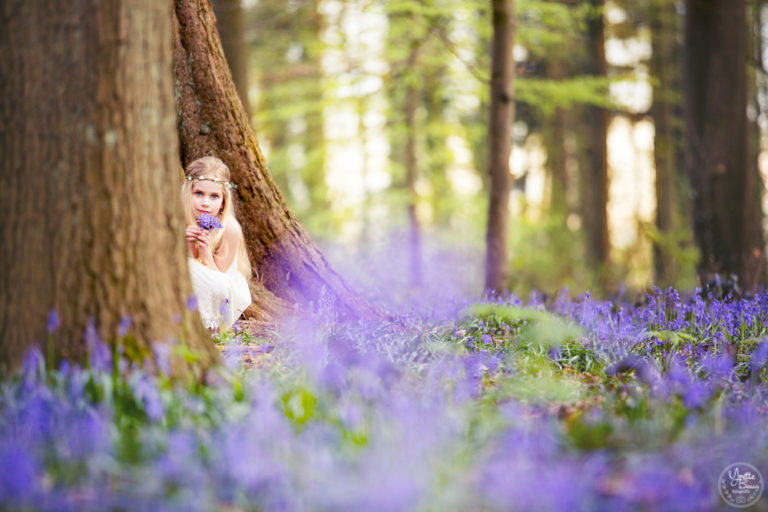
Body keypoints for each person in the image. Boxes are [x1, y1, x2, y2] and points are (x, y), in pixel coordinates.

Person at [182, 156, 252, 331]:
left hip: (220, 292)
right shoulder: (179, 221)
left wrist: (204, 250)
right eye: (199, 194)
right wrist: (189, 246)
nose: (205, 203)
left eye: (214, 196)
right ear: (188, 194)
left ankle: (206, 328)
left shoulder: (229, 228)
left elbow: (217, 279)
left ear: (222, 202)